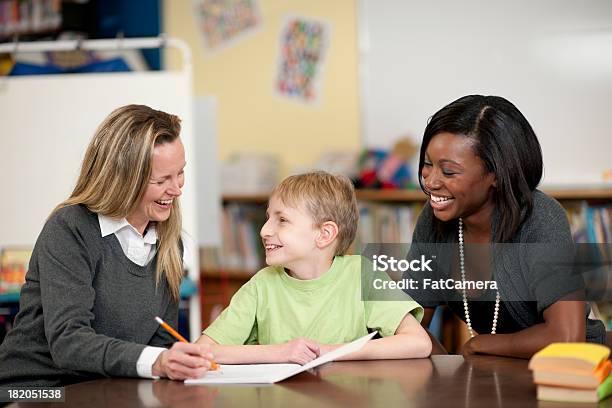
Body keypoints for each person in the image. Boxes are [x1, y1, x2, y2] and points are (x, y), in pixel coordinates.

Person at [0, 105, 214, 386]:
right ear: (123, 179)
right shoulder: (70, 228)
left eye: (180, 173)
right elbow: (69, 343)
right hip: (34, 391)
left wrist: (176, 362)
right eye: (161, 180)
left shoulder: (168, 242)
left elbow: (161, 344)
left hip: (103, 388)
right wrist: (157, 362)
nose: (176, 189)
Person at [403, 95, 605, 358]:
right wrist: (447, 368)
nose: (430, 181)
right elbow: (405, 324)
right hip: (497, 374)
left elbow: (566, 337)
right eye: (428, 164)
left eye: (449, 172)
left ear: (496, 174)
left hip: (571, 371)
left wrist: (480, 345)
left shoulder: (540, 219)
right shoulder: (433, 221)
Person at [196, 171, 431, 363]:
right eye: (268, 218)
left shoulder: (361, 275)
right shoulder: (261, 285)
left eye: (282, 220)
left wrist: (331, 351)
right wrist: (280, 352)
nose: (264, 231)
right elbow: (204, 351)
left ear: (324, 234)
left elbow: (418, 342)